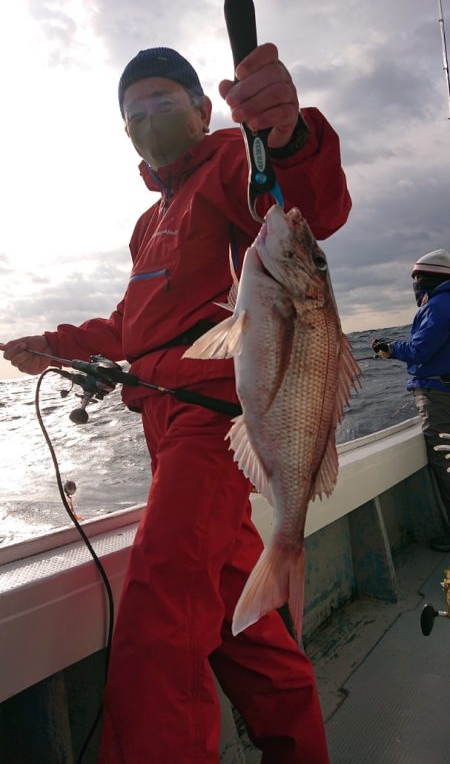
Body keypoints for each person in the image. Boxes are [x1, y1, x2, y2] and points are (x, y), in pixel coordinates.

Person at [4, 44, 351, 764]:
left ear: (201, 110)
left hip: (213, 426)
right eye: (134, 112)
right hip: (165, 432)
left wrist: (287, 136)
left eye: (164, 102)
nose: (148, 118)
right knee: (246, 631)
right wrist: (54, 344)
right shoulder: (149, 221)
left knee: (159, 617)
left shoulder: (231, 161)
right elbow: (132, 327)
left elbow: (304, 207)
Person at [372, 249, 450, 552]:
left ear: (424, 279)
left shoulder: (440, 305)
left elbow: (419, 351)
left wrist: (390, 348)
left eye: (416, 279)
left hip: (439, 395)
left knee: (445, 462)